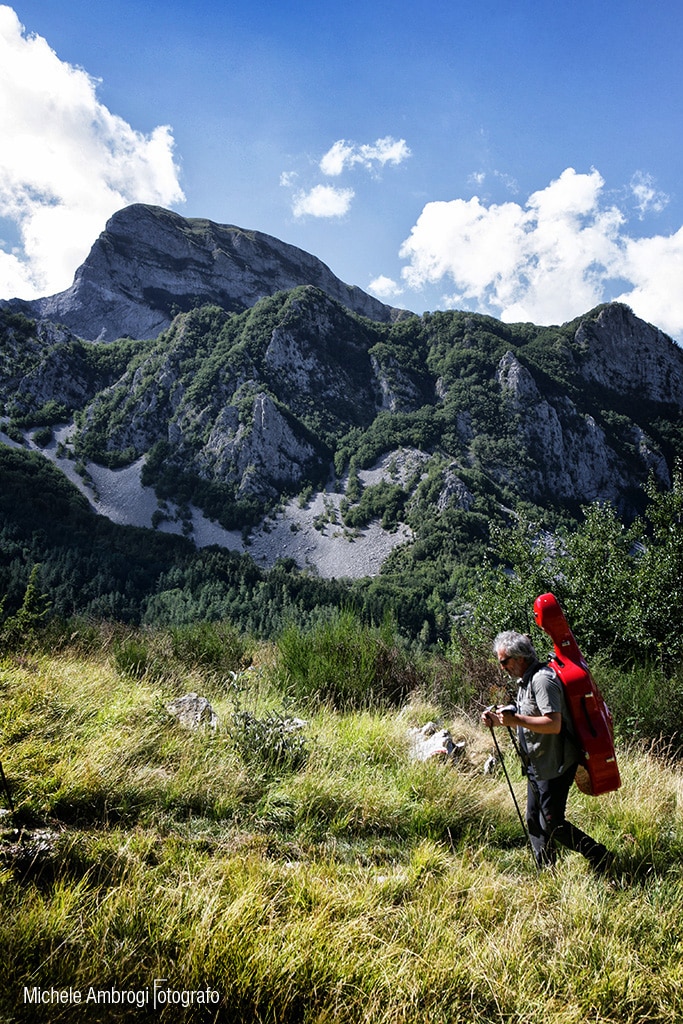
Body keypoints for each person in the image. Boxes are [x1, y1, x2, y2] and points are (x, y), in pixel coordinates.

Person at [482, 630, 612, 872]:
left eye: (504, 662)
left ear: (519, 657)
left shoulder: (542, 680)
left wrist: (516, 720)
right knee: (535, 820)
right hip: (538, 763)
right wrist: (501, 717)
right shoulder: (525, 680)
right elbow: (527, 712)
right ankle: (547, 873)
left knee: (553, 823)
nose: (502, 668)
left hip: (556, 764)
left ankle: (599, 855)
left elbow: (553, 723)